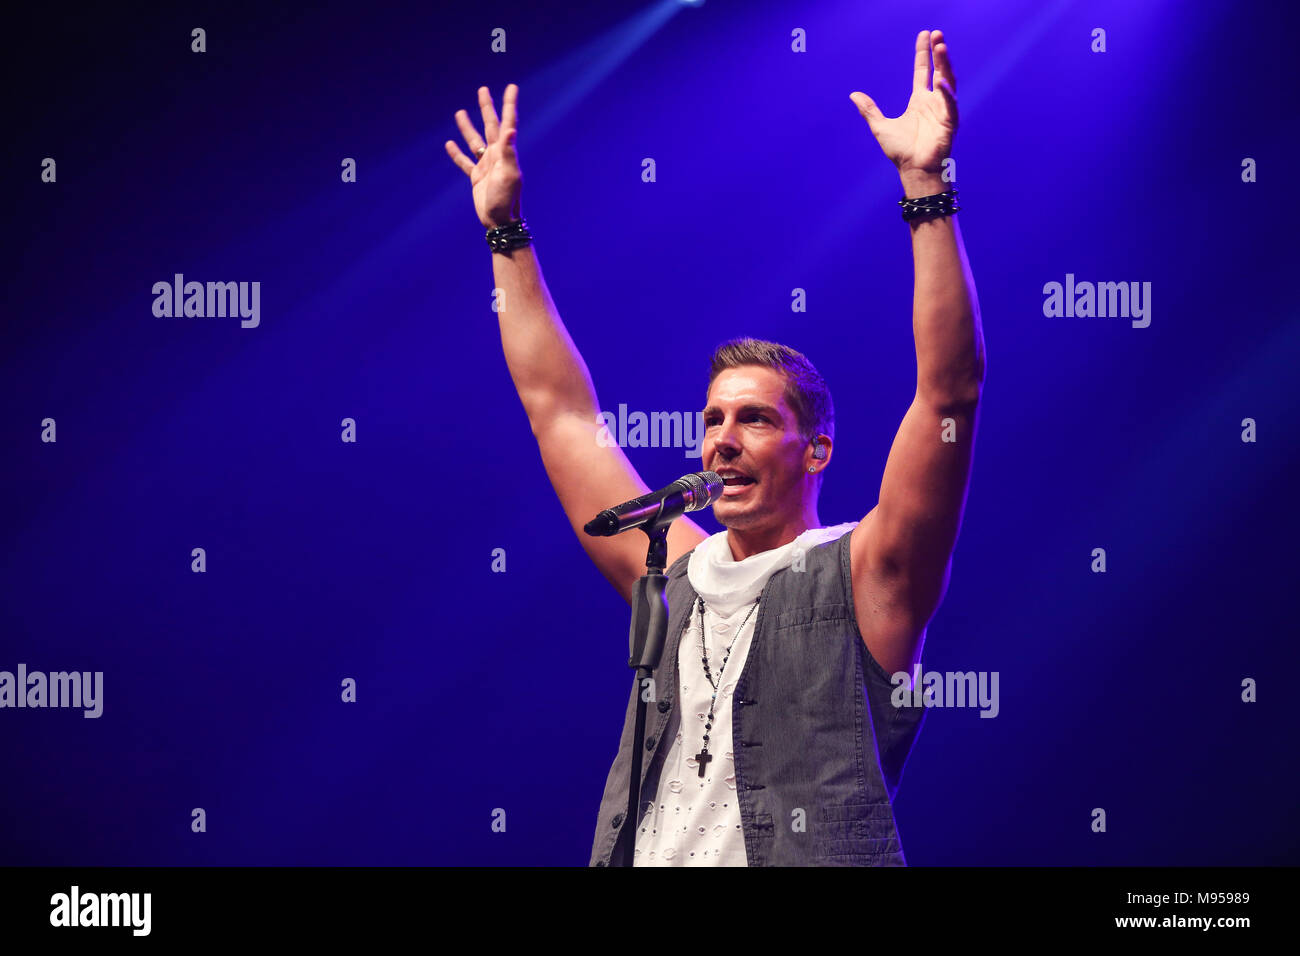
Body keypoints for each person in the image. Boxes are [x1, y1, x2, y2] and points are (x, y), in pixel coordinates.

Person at [446, 28, 984, 866]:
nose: (722, 441)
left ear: (817, 451)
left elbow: (949, 393)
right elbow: (559, 412)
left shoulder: (868, 571)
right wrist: (506, 235)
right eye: (712, 421)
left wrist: (925, 188)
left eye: (756, 420)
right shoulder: (673, 572)